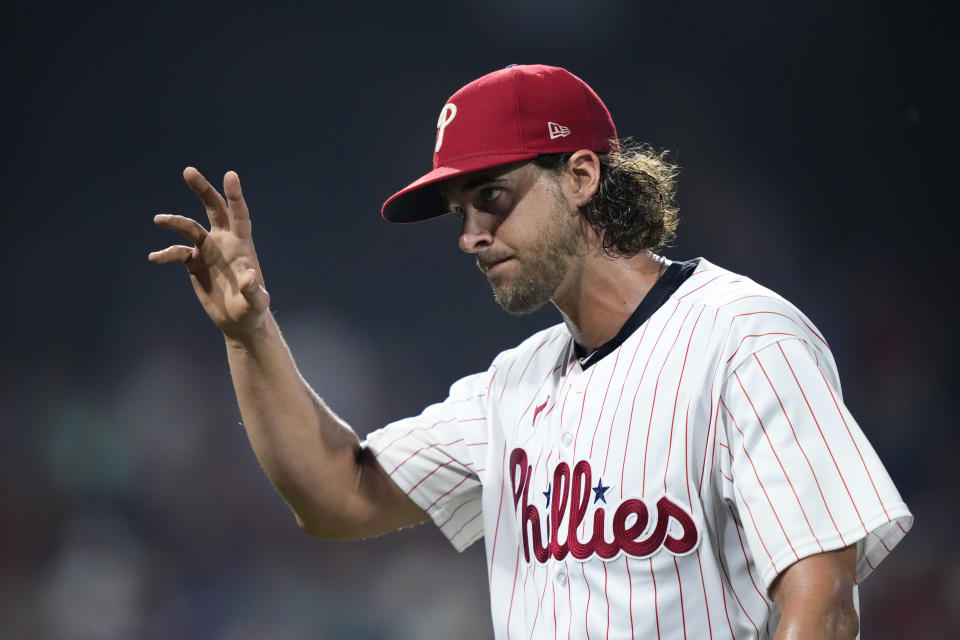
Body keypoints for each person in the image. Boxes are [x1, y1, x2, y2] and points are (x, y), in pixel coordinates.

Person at [149, 64, 912, 639]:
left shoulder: (744, 337)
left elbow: (821, 601)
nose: (470, 233)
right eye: (459, 210)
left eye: (493, 197)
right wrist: (249, 333)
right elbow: (335, 496)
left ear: (580, 176)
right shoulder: (512, 387)